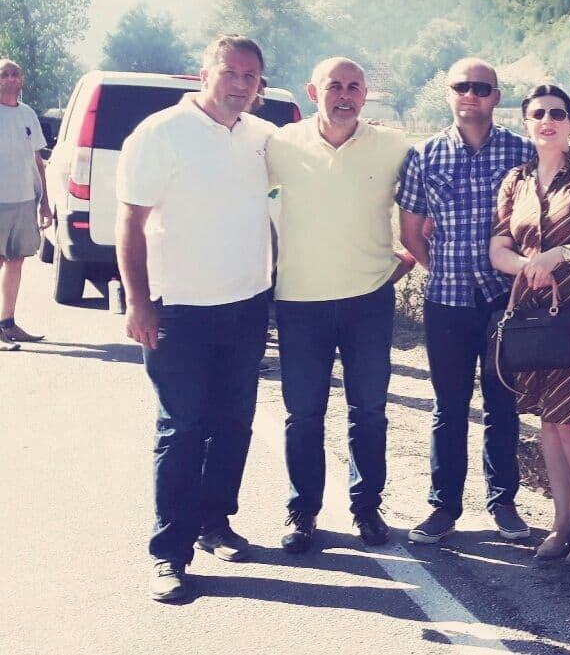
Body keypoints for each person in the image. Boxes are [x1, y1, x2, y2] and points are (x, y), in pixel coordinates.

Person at [117, 35, 275, 604]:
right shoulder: (159, 134)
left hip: (247, 304)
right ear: (203, 75)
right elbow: (129, 224)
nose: (240, 83)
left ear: (261, 83)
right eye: (229, 72)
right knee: (182, 429)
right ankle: (169, 554)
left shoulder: (264, 138)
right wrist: (139, 303)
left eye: (250, 76)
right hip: (178, 309)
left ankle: (215, 524)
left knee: (233, 422)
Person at [265, 57, 415, 554]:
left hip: (368, 300)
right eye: (335, 86)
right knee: (303, 414)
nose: (344, 95)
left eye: (354, 87)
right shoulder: (279, 146)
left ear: (366, 93)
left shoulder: (394, 147)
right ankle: (302, 511)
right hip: (299, 302)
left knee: (369, 411)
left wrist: (410, 254)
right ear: (313, 92)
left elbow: (426, 210)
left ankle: (366, 507)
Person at [397, 57, 535, 545]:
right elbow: (411, 232)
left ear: (497, 97)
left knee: (503, 403)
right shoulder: (424, 155)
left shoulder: (523, 154)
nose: (472, 95)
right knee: (448, 407)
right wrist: (444, 270)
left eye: (482, 87)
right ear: (449, 94)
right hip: (448, 302)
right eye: (463, 87)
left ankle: (503, 504)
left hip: (505, 301)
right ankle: (443, 507)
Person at [489, 84, 570, 565]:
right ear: (526, 121)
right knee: (547, 421)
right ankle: (563, 519)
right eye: (539, 113)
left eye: (558, 114)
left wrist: (558, 254)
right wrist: (526, 267)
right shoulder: (516, 180)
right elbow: (498, 246)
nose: (548, 120)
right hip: (531, 317)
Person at [0, 59, 52, 349]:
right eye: (4, 74)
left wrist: (43, 202)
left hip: (24, 200)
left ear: (21, 79)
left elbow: (37, 160)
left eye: (14, 73)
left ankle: (7, 322)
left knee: (16, 260)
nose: (9, 78)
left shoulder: (28, 114)